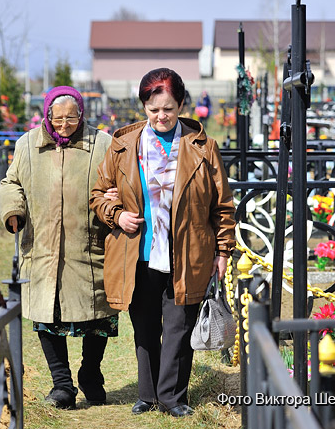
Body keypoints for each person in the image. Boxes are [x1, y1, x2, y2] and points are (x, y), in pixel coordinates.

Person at [89, 68, 236, 417]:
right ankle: (147, 394)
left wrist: (224, 249)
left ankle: (173, 397)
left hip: (189, 252)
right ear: (143, 107)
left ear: (182, 104)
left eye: (169, 108)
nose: (161, 116)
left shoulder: (203, 147)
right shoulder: (123, 145)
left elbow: (223, 205)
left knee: (179, 326)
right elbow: (97, 195)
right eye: (153, 109)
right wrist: (116, 214)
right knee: (145, 325)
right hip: (137, 251)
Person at [0, 86, 119, 409]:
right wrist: (13, 210)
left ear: (82, 114)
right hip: (42, 245)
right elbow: (11, 183)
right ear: (47, 115)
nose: (65, 124)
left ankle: (91, 374)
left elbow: (120, 183)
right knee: (46, 315)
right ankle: (61, 384)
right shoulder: (27, 145)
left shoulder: (102, 144)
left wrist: (115, 199)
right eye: (58, 118)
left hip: (90, 244)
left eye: (72, 117)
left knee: (98, 316)